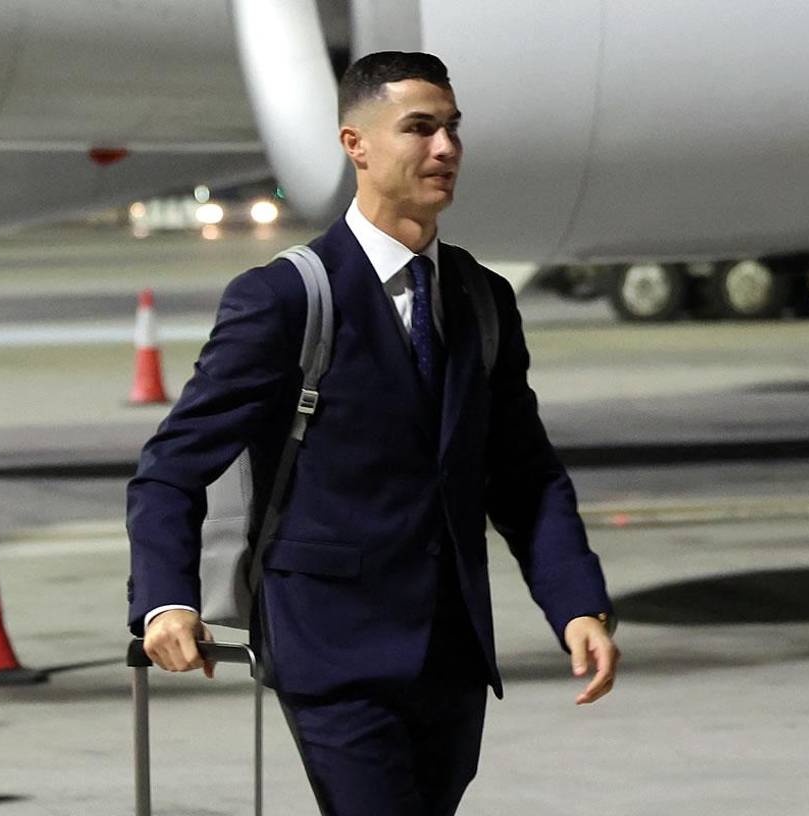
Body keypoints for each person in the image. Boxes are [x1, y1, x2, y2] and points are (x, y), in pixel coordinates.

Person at [126, 51, 618, 816]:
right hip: (332, 654)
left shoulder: (482, 298)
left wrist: (577, 603)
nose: (445, 149)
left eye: (452, 129)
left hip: (451, 660)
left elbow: (523, 472)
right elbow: (172, 468)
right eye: (419, 129)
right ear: (356, 144)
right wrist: (166, 601)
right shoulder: (284, 298)